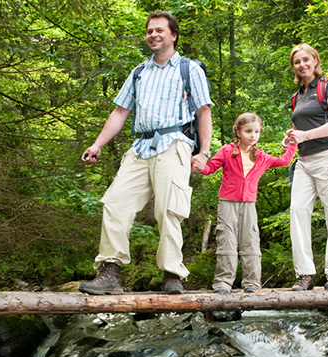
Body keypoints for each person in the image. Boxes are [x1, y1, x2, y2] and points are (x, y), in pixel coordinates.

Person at [79, 11, 212, 295]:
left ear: (173, 35)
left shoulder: (189, 69)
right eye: (150, 30)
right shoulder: (139, 72)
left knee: (168, 210)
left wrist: (204, 152)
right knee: (115, 202)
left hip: (175, 143)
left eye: (159, 30)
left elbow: (203, 111)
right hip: (140, 146)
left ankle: (172, 274)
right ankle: (110, 272)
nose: (153, 34)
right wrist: (97, 144)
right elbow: (120, 111)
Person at [193, 113, 296, 294]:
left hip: (249, 204)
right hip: (227, 202)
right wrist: (199, 166)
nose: (253, 135)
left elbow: (285, 161)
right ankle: (223, 283)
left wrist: (293, 143)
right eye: (248, 131)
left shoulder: (261, 157)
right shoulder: (226, 151)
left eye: (256, 131)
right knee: (226, 240)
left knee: (250, 240)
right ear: (238, 132)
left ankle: (252, 283)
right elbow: (210, 169)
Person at [285, 43, 328, 291]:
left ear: (315, 60)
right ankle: (305, 274)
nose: (301, 65)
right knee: (298, 212)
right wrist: (292, 137)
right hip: (304, 161)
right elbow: (303, 128)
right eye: (296, 62)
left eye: (305, 60)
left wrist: (305, 135)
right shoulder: (297, 96)